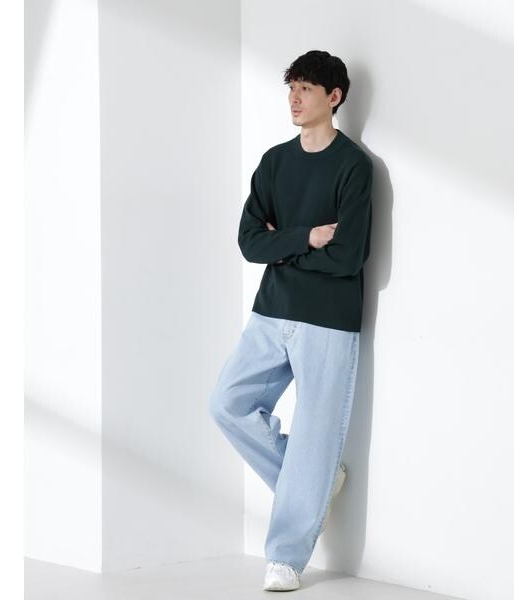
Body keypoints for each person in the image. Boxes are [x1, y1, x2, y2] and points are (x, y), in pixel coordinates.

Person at [209, 49, 373, 592]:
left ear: (334, 97)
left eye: (306, 88)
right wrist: (306, 237)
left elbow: (347, 257)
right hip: (271, 309)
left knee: (315, 434)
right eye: (291, 88)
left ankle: (285, 557)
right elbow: (249, 242)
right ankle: (316, 485)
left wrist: (282, 245)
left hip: (328, 318)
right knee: (227, 403)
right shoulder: (275, 162)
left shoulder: (353, 166)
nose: (295, 99)